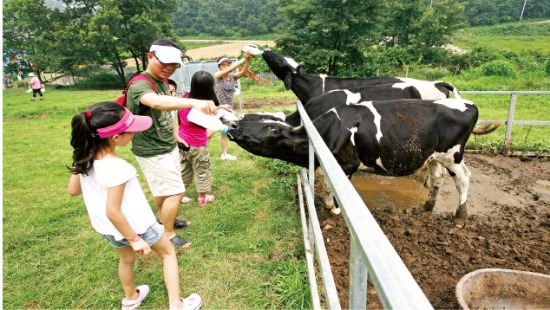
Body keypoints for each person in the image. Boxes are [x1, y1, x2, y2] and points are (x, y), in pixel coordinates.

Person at [67, 102, 203, 310]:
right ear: (115, 138)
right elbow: (112, 210)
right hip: (138, 227)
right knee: (168, 254)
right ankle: (176, 304)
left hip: (107, 229)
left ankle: (131, 298)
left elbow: (73, 190)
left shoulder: (85, 160)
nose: (134, 132)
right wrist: (135, 239)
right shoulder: (118, 168)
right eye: (131, 130)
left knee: (126, 259)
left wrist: (80, 161)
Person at [125, 39, 217, 248]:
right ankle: (166, 234)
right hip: (152, 149)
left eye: (174, 65)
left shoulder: (162, 82)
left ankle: (165, 219)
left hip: (167, 145)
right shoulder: (141, 83)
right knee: (176, 192)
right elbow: (156, 102)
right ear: (150, 57)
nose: (169, 69)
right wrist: (194, 102)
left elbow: (167, 114)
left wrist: (176, 136)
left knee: (163, 191)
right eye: (164, 63)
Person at [177, 71, 232, 206]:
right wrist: (217, 121)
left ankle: (179, 196)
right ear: (209, 88)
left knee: (184, 169)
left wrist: (220, 107)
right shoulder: (202, 108)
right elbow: (209, 131)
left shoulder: (185, 97)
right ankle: (202, 198)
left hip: (182, 142)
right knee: (202, 169)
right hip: (197, 145)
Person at [214, 51, 254, 160]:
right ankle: (224, 154)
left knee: (224, 131)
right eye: (223, 65)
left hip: (228, 109)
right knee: (225, 130)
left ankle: (224, 153)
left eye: (228, 64)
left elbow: (243, 72)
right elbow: (231, 69)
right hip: (219, 109)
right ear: (219, 67)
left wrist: (248, 61)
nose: (226, 66)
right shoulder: (217, 76)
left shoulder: (232, 77)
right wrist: (244, 59)